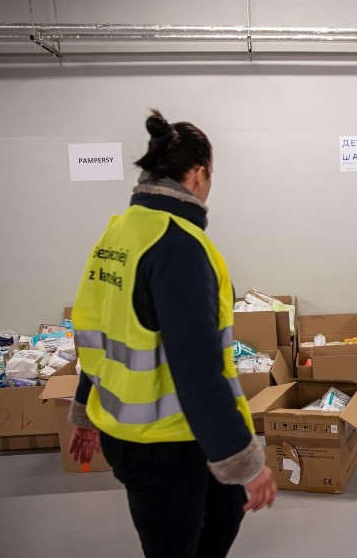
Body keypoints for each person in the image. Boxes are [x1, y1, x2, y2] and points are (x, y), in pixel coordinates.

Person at [67, 109, 276, 558]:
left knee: (223, 512)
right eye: (210, 176)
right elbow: (198, 368)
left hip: (148, 434)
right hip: (164, 446)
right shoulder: (178, 245)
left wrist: (86, 408)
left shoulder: (118, 235)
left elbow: (102, 333)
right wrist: (245, 461)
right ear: (198, 175)